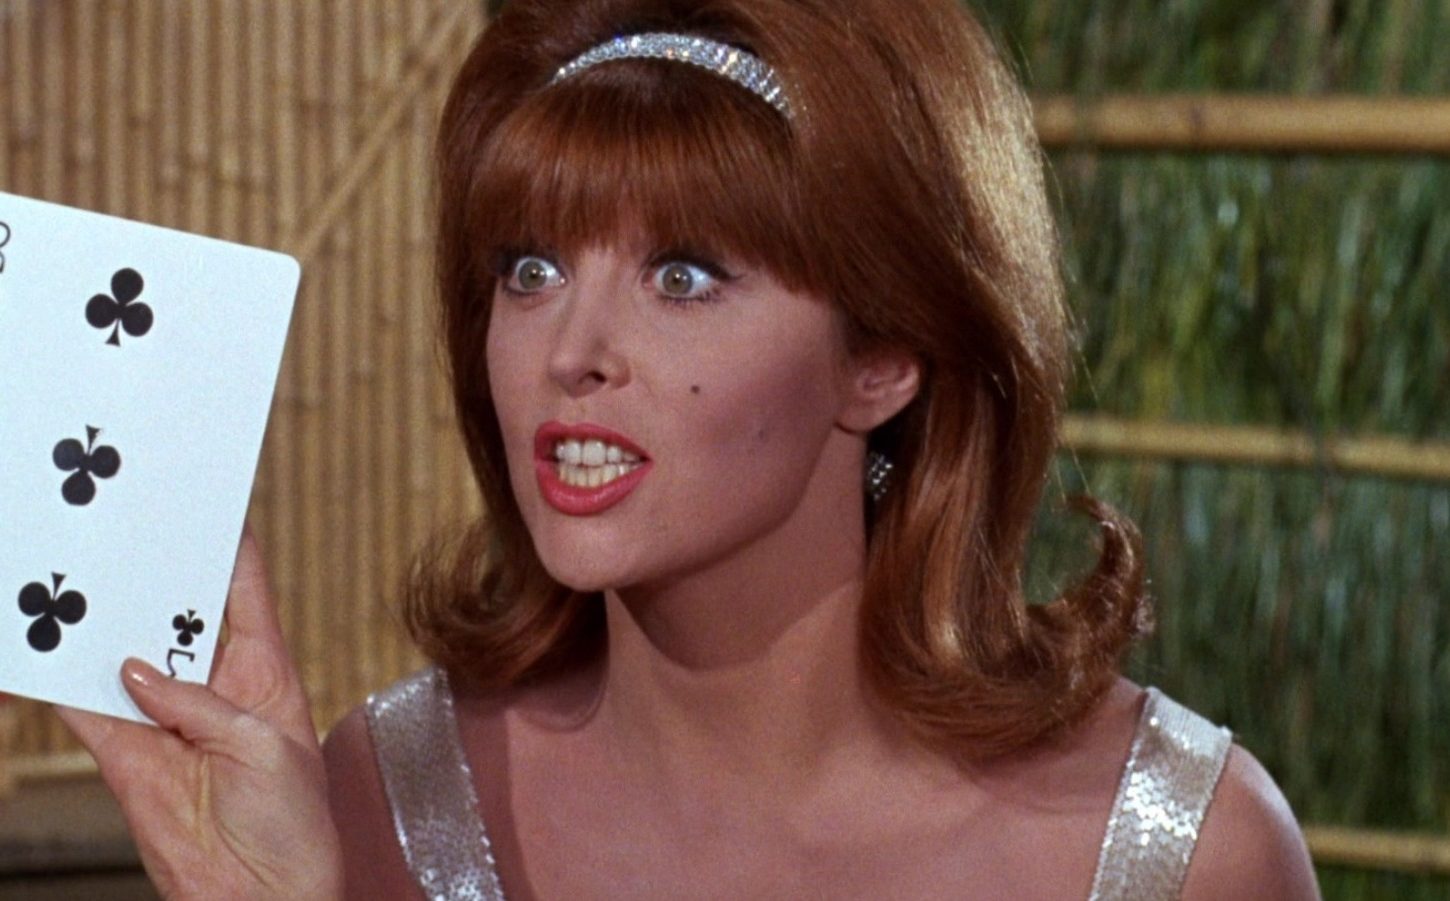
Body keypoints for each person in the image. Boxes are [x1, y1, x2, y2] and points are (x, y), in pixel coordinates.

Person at [59, 0, 1321, 897]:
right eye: (530, 269)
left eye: (682, 276)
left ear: (882, 357)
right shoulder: (386, 805)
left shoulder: (1181, 852)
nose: (571, 351)